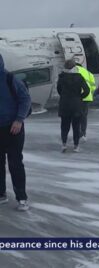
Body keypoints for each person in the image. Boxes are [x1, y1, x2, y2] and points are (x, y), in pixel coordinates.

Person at [0, 54, 31, 211]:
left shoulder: (10, 79)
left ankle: (22, 198)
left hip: (13, 127)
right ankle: (1, 194)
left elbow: (25, 99)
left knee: (15, 163)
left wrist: (19, 120)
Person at [57, 59, 90, 153]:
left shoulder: (62, 77)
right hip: (76, 104)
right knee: (76, 126)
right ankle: (76, 146)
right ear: (74, 67)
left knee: (64, 126)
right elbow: (87, 90)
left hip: (64, 104)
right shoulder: (79, 77)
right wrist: (80, 97)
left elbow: (59, 89)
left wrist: (64, 96)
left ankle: (64, 144)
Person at [75, 62, 96, 142]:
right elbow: (93, 87)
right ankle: (83, 133)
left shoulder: (74, 72)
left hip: (76, 97)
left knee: (76, 116)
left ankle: (77, 133)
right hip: (87, 97)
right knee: (84, 117)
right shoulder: (88, 73)